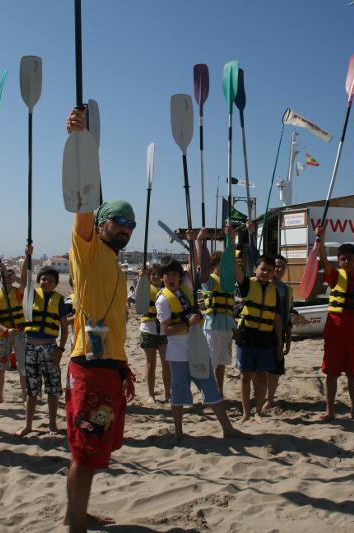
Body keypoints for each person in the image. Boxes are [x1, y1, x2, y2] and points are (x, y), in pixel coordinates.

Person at [63, 105, 136, 533]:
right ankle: (74, 525)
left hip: (108, 367)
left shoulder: (115, 263)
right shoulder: (87, 247)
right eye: (120, 222)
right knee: (84, 454)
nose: (126, 229)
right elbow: (83, 198)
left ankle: (78, 513)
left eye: (131, 224)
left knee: (92, 452)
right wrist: (79, 143)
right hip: (87, 369)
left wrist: (123, 365)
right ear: (103, 223)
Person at [156, 257, 244, 445]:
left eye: (174, 274)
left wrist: (197, 240)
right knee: (178, 393)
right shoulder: (163, 300)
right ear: (162, 278)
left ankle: (228, 429)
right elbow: (167, 330)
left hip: (197, 350)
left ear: (179, 276)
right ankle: (178, 432)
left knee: (210, 387)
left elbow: (196, 263)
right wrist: (188, 324)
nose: (171, 278)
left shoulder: (186, 288)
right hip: (178, 355)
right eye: (167, 275)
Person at [314, 226, 354, 421]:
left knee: (353, 375)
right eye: (342, 259)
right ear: (339, 261)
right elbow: (323, 258)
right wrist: (320, 237)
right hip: (334, 335)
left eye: (350, 258)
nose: (346, 261)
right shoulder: (334, 276)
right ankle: (329, 410)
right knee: (331, 374)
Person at [18, 248, 72, 437]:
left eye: (50, 280)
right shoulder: (31, 294)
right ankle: (28, 425)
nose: (46, 282)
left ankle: (52, 423)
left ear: (56, 284)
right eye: (43, 279)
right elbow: (24, 278)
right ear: (39, 281)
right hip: (31, 346)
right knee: (32, 388)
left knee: (52, 387)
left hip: (50, 347)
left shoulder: (59, 301)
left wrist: (60, 349)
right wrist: (27, 257)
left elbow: (64, 328)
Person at [233, 227, 283, 423]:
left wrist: (279, 343)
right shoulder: (247, 284)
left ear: (272, 274)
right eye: (262, 269)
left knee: (262, 376)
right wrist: (235, 242)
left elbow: (276, 319)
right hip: (247, 334)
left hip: (265, 337)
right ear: (255, 269)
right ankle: (246, 413)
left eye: (269, 271)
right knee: (245, 376)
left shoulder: (274, 291)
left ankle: (259, 412)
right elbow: (236, 268)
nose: (265, 273)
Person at [0, 266, 27, 404]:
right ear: (0, 280)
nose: (8, 280)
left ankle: (25, 396)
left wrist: (10, 274)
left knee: (22, 366)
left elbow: (24, 283)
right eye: (5, 277)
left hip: (20, 334)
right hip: (4, 336)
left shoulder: (18, 292)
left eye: (10, 278)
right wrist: (5, 329)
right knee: (0, 367)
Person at [202, 250, 236, 398]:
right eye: (221, 264)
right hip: (212, 325)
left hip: (227, 325)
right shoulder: (209, 280)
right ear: (214, 265)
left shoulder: (229, 283)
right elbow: (202, 271)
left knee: (221, 362)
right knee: (211, 361)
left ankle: (219, 392)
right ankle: (208, 393)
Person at [138, 263, 170, 403]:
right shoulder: (145, 288)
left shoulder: (167, 290)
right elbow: (138, 298)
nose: (155, 277)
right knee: (151, 363)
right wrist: (141, 278)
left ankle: (168, 394)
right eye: (152, 274)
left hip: (163, 331)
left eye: (157, 274)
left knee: (166, 364)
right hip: (148, 329)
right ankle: (151, 395)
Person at [264, 255, 294, 410]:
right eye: (277, 266)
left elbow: (287, 315)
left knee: (275, 368)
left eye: (282, 267)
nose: (279, 269)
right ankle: (261, 398)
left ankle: (270, 400)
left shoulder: (287, 289)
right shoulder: (263, 285)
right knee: (261, 368)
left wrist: (288, 339)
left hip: (279, 333)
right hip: (263, 330)